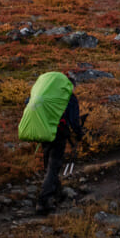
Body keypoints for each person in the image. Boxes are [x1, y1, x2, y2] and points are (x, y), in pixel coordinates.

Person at [37, 82, 85, 216]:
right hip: (59, 134)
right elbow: (74, 121)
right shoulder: (70, 97)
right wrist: (79, 133)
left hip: (44, 132)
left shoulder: (47, 94)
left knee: (49, 164)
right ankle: (43, 201)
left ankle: (56, 192)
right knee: (54, 166)